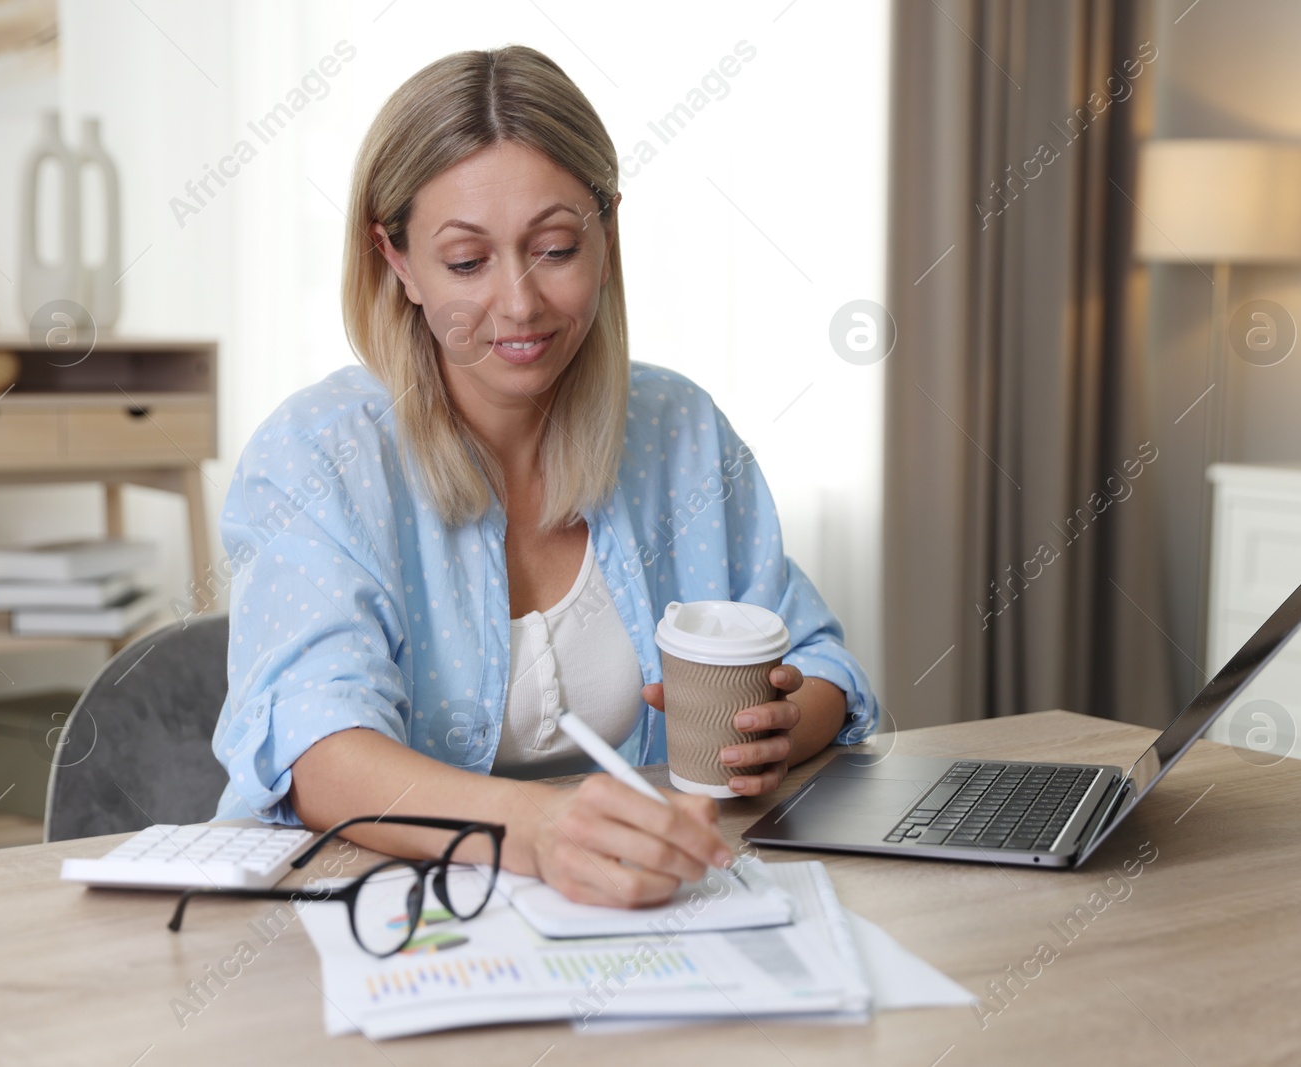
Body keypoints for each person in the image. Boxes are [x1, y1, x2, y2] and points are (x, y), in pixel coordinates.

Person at [211, 44, 880, 907]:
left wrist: (783, 727)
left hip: (651, 905)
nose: (519, 304)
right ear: (397, 261)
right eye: (465, 262)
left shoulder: (679, 431)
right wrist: (534, 832)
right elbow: (320, 752)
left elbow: (816, 658)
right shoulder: (317, 456)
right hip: (382, 921)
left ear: (607, 233)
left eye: (556, 247)